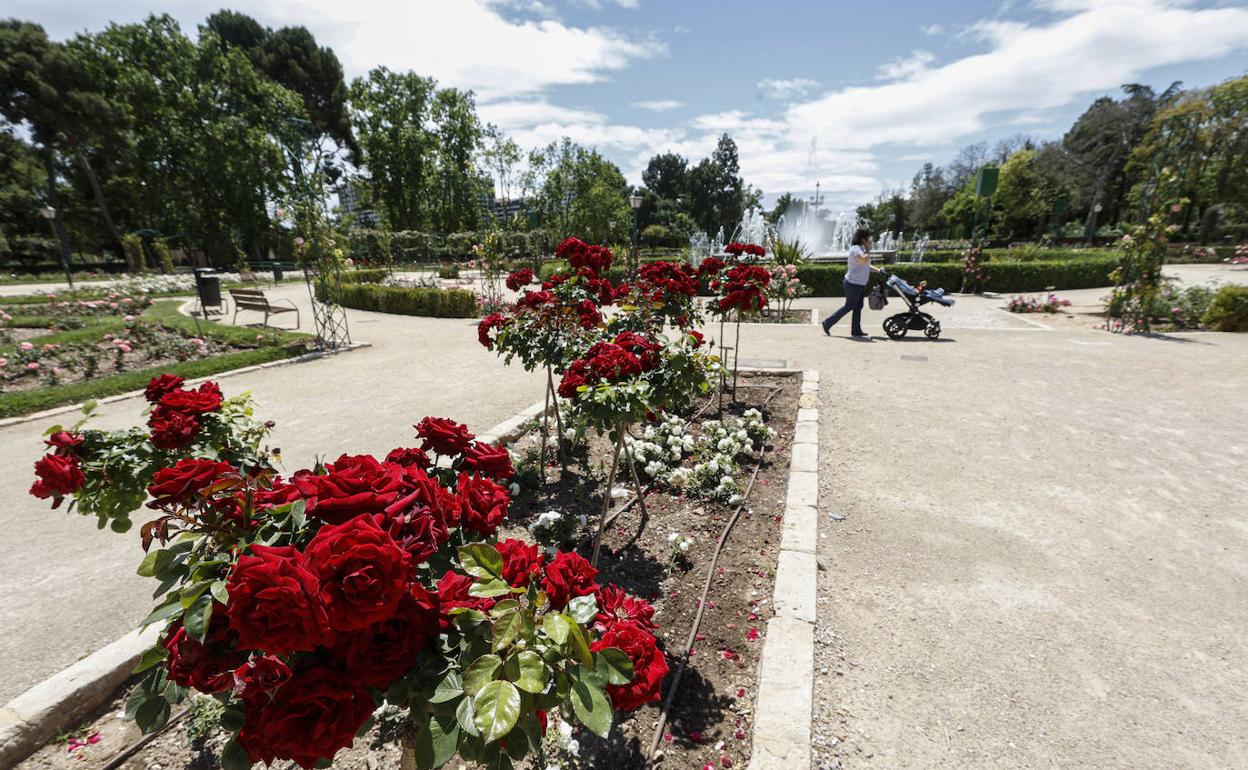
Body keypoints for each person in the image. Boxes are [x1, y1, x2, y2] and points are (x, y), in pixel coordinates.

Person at [822, 228, 882, 338]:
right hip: (853, 284)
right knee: (849, 306)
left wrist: (878, 270)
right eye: (869, 239)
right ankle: (827, 323)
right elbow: (863, 260)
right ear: (863, 240)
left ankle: (856, 330)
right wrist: (868, 250)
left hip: (859, 284)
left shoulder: (860, 249)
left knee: (858, 306)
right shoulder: (856, 250)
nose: (871, 241)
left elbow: (866, 265)